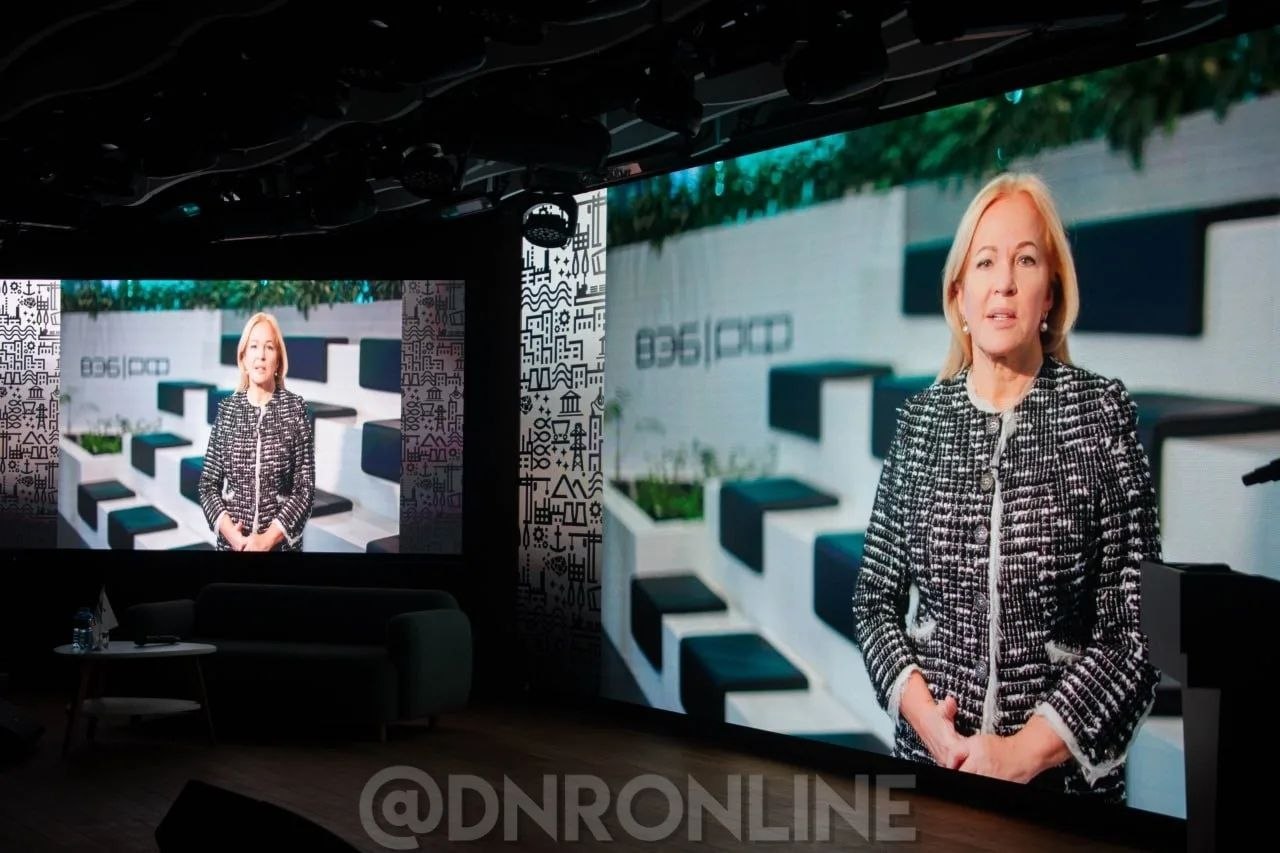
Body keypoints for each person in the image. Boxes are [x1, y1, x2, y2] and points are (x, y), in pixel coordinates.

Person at [851, 172, 1161, 803]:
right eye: (986, 261)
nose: (1005, 284)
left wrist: (1024, 754)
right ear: (959, 295)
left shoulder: (1100, 416)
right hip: (936, 777)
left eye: (1026, 260)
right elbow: (874, 602)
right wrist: (931, 727)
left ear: (1051, 295)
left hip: (1061, 793)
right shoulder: (920, 425)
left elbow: (1137, 631)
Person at [198, 312, 315, 552]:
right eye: (254, 346)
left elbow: (305, 489)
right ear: (243, 358)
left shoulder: (295, 410)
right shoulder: (227, 411)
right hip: (233, 547)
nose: (261, 355)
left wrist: (267, 539)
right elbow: (207, 485)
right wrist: (231, 534)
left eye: (269, 347)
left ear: (278, 361)